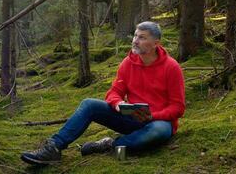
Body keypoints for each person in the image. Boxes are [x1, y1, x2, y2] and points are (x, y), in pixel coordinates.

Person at [20, 21, 185, 165]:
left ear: (156, 43)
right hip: (130, 118)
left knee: (158, 132)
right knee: (89, 104)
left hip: (157, 123)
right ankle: (54, 147)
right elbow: (114, 92)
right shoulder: (128, 63)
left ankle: (111, 145)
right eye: (135, 36)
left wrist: (152, 116)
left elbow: (178, 108)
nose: (135, 41)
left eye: (142, 37)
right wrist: (119, 104)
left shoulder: (171, 67)